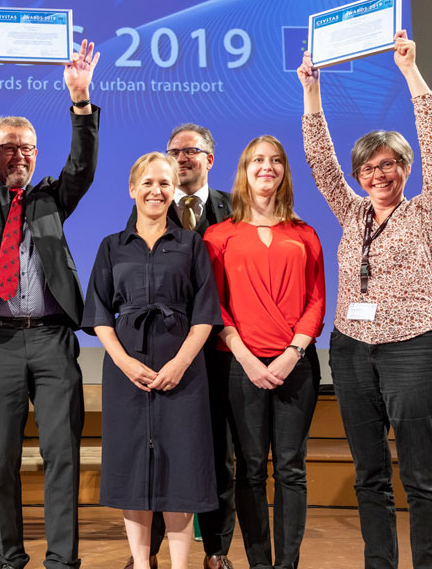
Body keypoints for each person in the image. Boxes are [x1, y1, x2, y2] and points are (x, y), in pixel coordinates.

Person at [0, 39, 99, 569]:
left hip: (53, 341)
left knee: (62, 455)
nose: (21, 155)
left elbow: (82, 166)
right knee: (1, 461)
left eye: (29, 148)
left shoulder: (52, 198)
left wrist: (80, 100)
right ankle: (9, 558)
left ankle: (62, 560)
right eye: (11, 147)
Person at [298, 31, 432, 568]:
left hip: (411, 348)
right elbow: (318, 160)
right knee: (369, 472)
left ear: (406, 169)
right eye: (369, 168)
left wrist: (409, 73)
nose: (378, 174)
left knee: (421, 474)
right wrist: (312, 90)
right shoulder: (351, 212)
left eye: (389, 165)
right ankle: (380, 562)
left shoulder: (423, 212)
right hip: (351, 348)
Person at [84, 152, 221, 569]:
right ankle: (142, 564)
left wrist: (179, 364)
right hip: (127, 371)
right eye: (147, 183)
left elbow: (205, 314)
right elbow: (100, 315)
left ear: (173, 191)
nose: (156, 190)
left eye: (164, 183)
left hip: (183, 372)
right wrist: (125, 363)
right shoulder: (112, 246)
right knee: (133, 469)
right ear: (133, 189)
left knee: (181, 470)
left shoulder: (191, 244)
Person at [203, 136, 325, 569]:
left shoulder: (305, 233)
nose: (267, 167)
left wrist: (293, 352)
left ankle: (286, 565)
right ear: (244, 170)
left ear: (285, 172)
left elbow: (316, 300)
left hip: (297, 366)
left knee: (291, 469)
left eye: (276, 160)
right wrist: (246, 357)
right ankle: (259, 563)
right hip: (242, 368)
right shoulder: (219, 236)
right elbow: (213, 305)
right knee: (251, 471)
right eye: (258, 160)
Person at [136, 123, 234, 569]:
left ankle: (216, 551)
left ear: (209, 159)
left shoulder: (235, 208)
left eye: (191, 151)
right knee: (158, 454)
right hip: (168, 359)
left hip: (225, 354)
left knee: (220, 454)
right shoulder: (150, 208)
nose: (182, 157)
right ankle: (149, 554)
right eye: (175, 151)